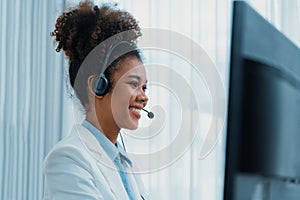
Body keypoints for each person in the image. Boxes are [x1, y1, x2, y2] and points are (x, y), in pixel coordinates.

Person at [44, 1, 149, 199]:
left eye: (144, 87)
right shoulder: (68, 159)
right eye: (134, 84)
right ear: (98, 85)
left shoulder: (126, 165)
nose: (144, 97)